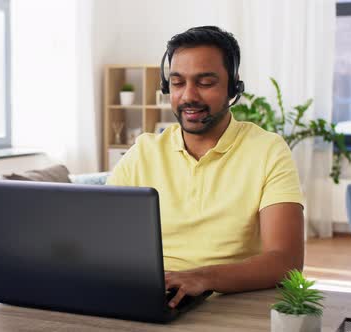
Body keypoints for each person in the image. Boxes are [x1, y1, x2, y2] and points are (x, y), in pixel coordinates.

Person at [106, 26, 304, 308]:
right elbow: (102, 237)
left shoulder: (268, 150)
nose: (188, 96)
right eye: (177, 83)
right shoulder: (144, 151)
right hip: (156, 297)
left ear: (233, 87)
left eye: (206, 82)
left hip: (229, 302)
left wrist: (202, 278)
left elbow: (286, 261)